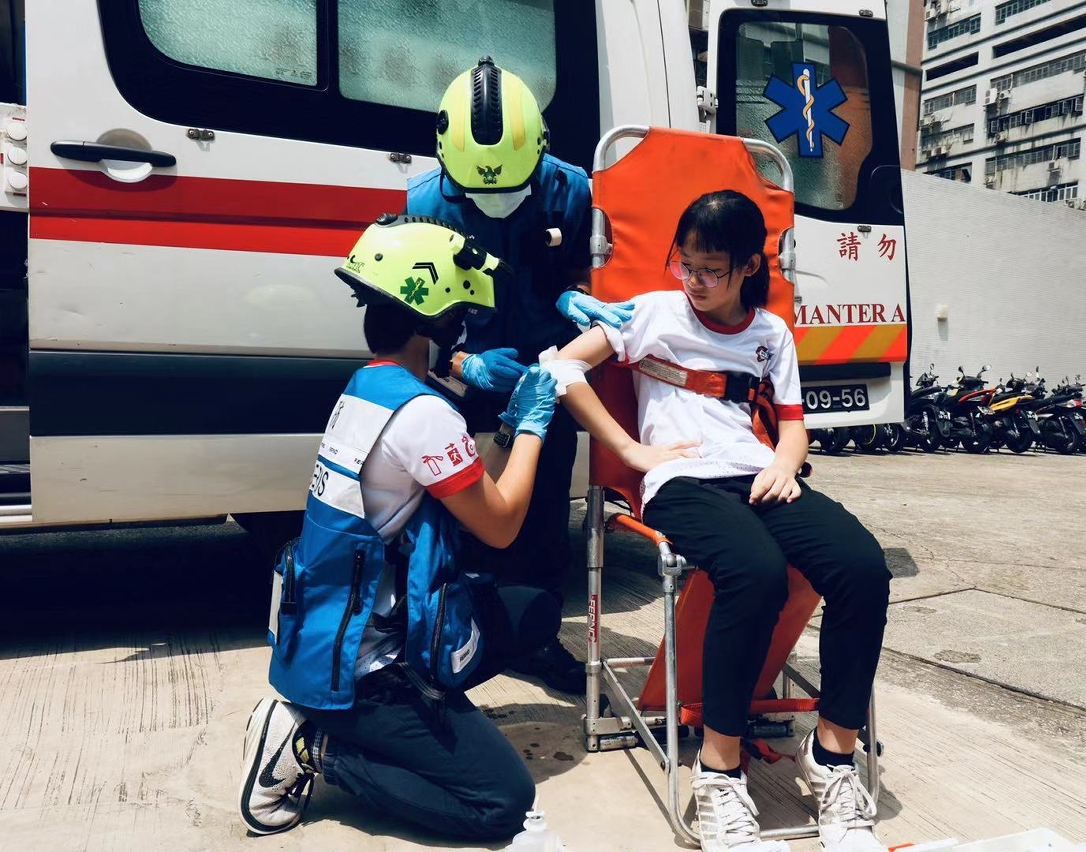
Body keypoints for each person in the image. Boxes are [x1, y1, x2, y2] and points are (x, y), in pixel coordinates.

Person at [545, 191, 892, 852]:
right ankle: (720, 770)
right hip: (680, 482)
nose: (695, 281)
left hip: (757, 474)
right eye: (686, 264)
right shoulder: (652, 312)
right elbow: (561, 368)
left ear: (748, 267)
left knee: (862, 569)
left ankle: (833, 756)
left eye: (711, 270)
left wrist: (786, 463)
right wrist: (630, 451)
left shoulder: (771, 334)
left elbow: (793, 427)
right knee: (755, 574)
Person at [239, 216, 563, 843]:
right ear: (436, 323)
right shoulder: (422, 414)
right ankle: (313, 747)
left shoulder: (372, 385)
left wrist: (501, 427)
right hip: (364, 668)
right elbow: (500, 525)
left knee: (533, 613)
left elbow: (469, 491)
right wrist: (531, 427)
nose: (466, 333)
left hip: (331, 627)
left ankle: (404, 721)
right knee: (502, 802)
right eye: (462, 319)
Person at [406, 56, 632, 694]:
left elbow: (581, 276)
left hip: (546, 376)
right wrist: (463, 362)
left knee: (544, 507)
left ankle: (535, 637)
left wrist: (574, 298)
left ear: (540, 151)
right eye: (483, 193)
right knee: (464, 509)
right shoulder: (424, 203)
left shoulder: (571, 190)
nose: (498, 206)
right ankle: (462, 629)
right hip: (472, 381)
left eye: (511, 189)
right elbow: (419, 321)